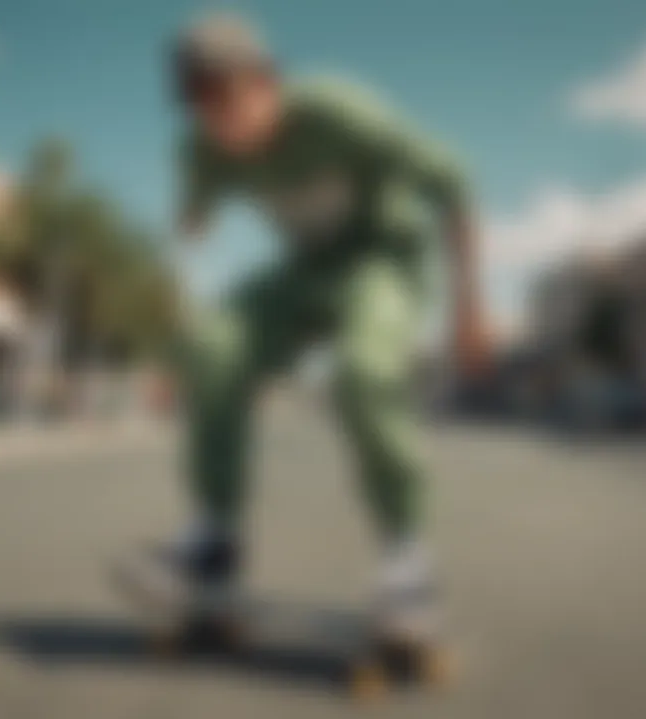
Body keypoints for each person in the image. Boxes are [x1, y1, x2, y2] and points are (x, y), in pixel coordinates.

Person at [122, 13, 488, 645]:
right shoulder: (202, 149)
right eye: (200, 106)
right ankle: (214, 546)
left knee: (364, 375)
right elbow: (188, 230)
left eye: (230, 99)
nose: (221, 123)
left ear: (267, 82)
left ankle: (407, 564)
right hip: (302, 273)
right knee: (212, 351)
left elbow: (452, 183)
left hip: (383, 261)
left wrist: (469, 308)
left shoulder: (338, 113)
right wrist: (170, 336)